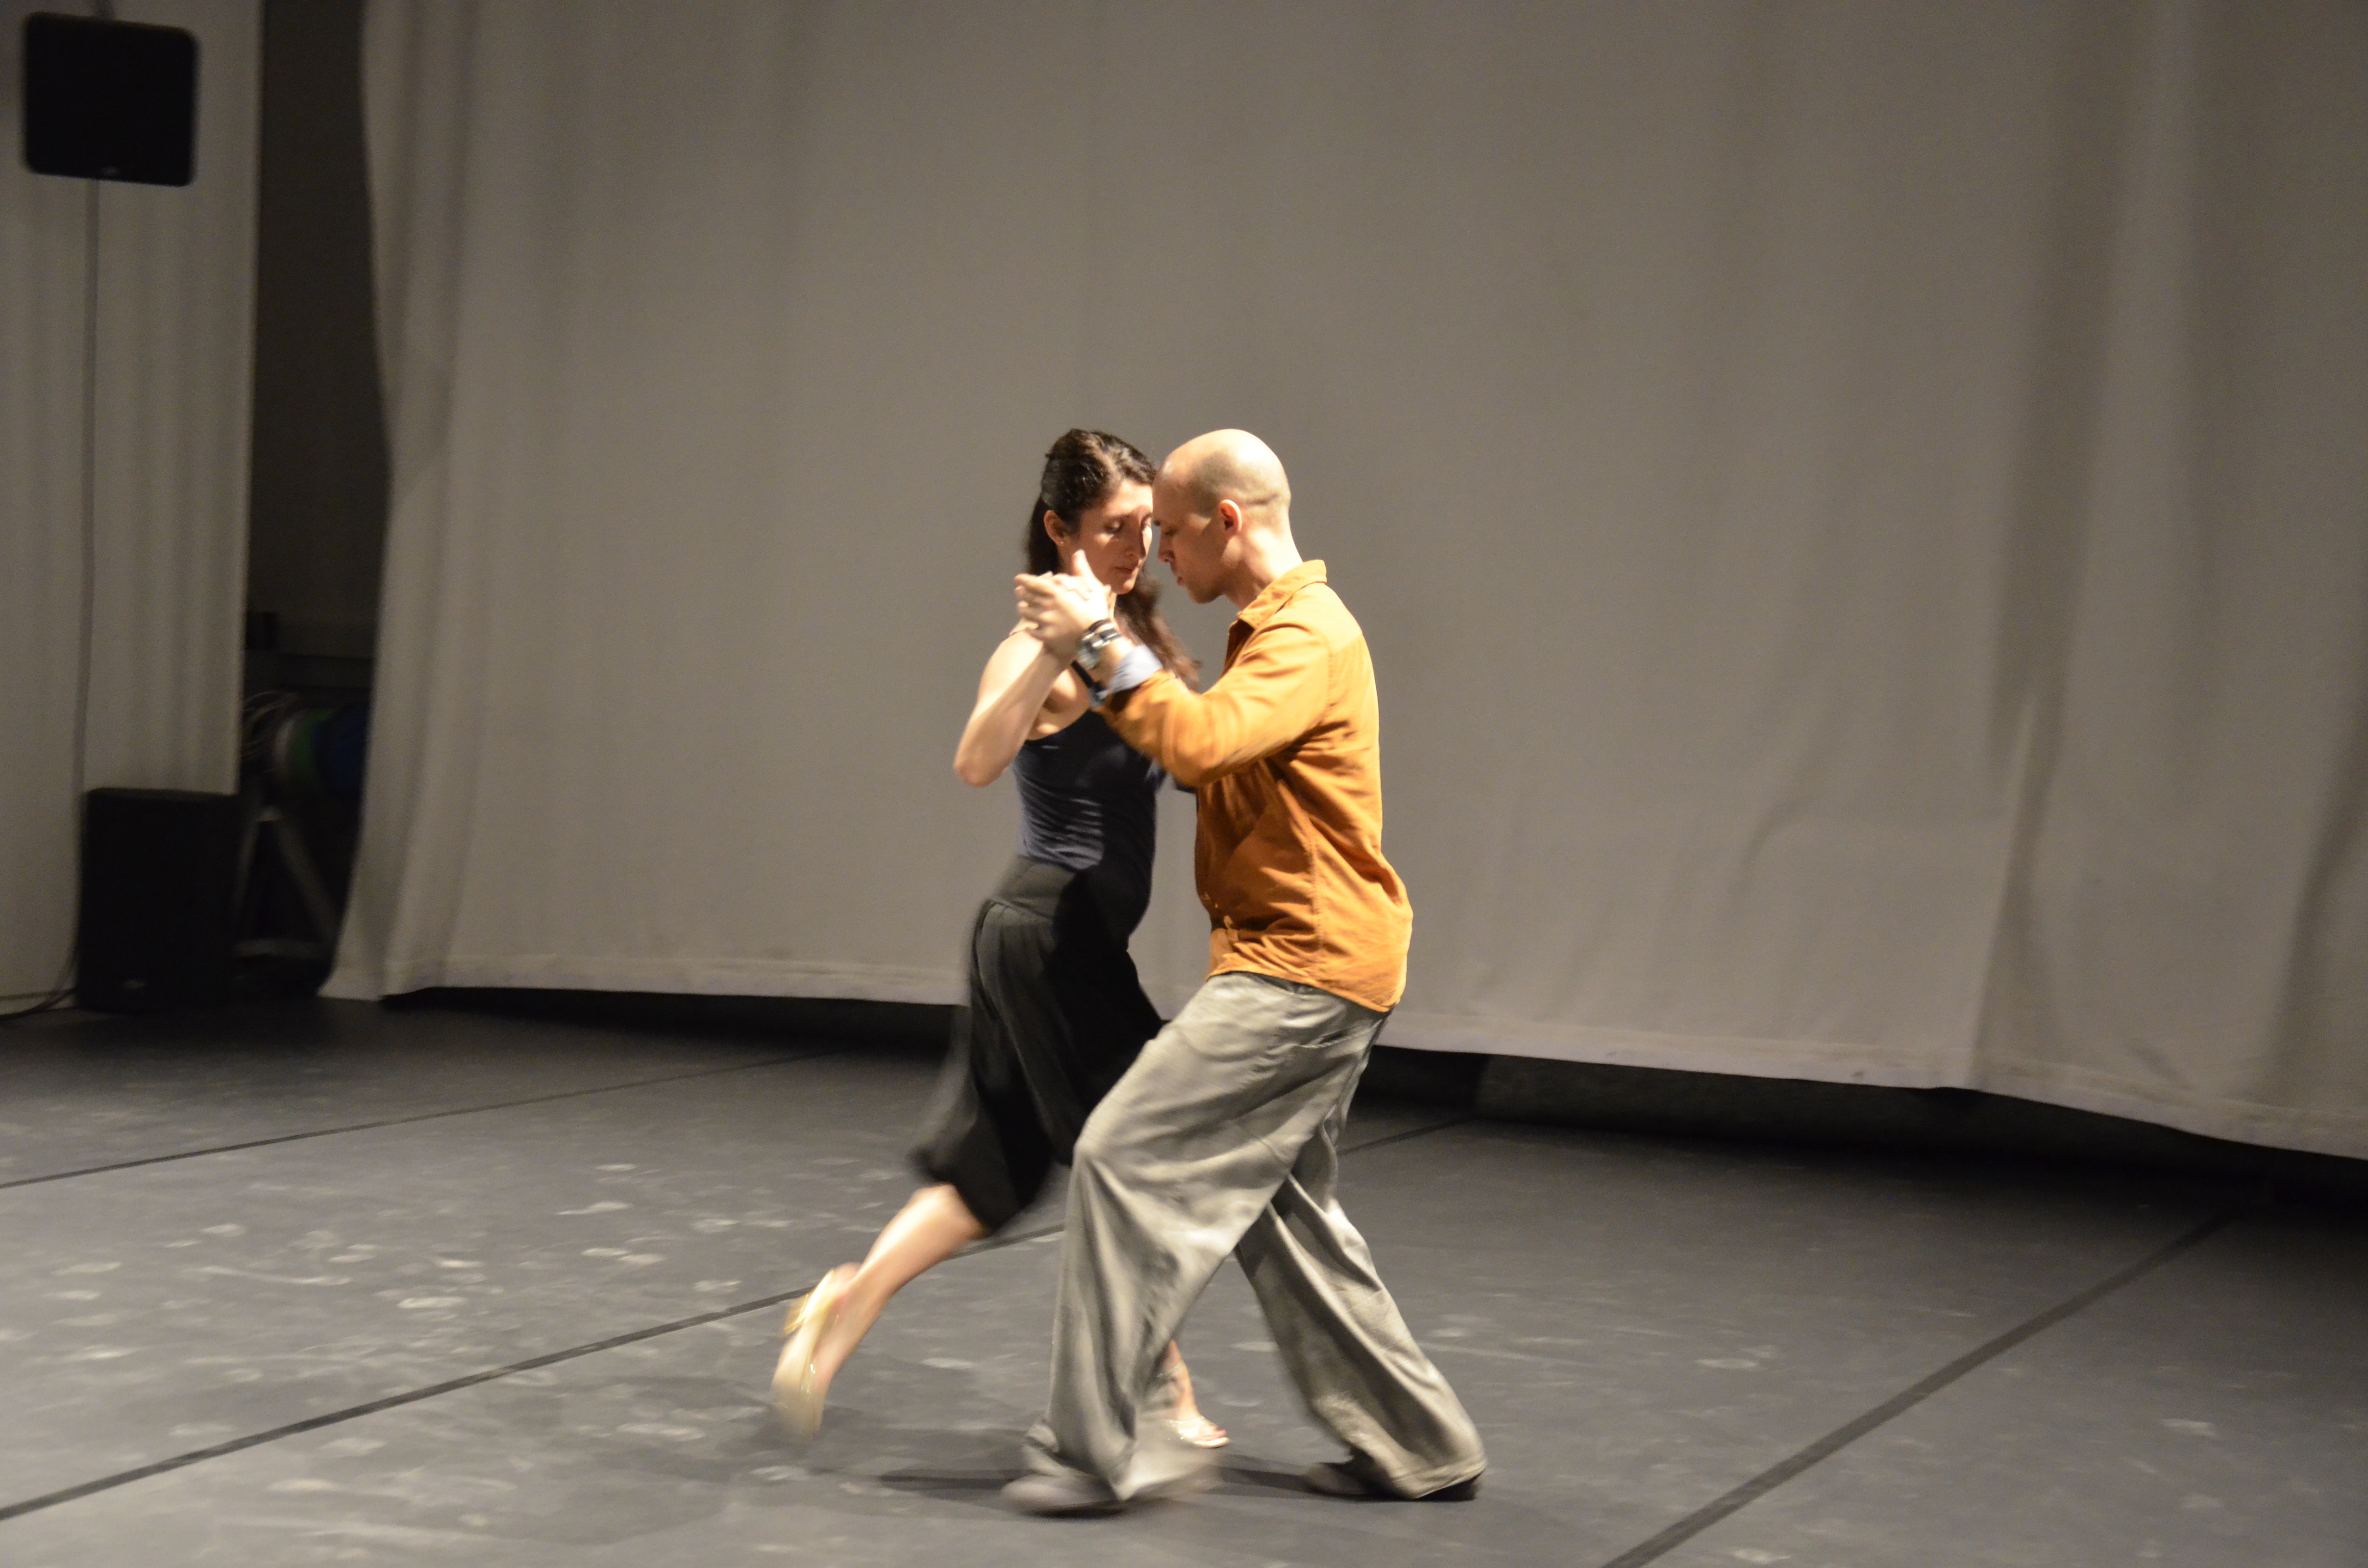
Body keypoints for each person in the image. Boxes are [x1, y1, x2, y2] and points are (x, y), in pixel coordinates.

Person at [1002, 429, 1486, 1514]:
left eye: (1172, 532)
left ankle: (1086, 1451)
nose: (1162, 553)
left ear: (1227, 521)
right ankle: (1423, 1444)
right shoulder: (1272, 634)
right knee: (1284, 1216)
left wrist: (1100, 644)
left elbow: (1203, 746)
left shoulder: (1304, 635)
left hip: (1301, 972)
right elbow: (1215, 755)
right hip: (1313, 961)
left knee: (1121, 1153)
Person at [771, 429, 1223, 1449]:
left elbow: (1191, 754)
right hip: (1049, 940)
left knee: (994, 1177)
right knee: (1135, 1158)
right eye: (1113, 529)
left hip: (1047, 940)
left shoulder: (1123, 634)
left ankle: (841, 1313)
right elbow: (978, 760)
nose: (1136, 548)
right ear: (1061, 529)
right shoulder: (1038, 645)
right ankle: (1165, 1386)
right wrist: (1058, 650)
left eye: (1145, 529)